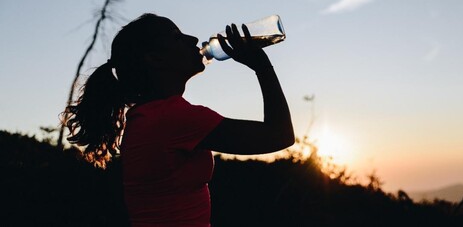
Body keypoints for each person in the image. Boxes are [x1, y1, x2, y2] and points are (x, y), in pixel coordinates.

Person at [64, 13, 295, 227]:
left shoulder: (146, 117)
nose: (193, 38)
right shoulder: (170, 119)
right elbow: (279, 135)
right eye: (177, 37)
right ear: (155, 59)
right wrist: (261, 65)